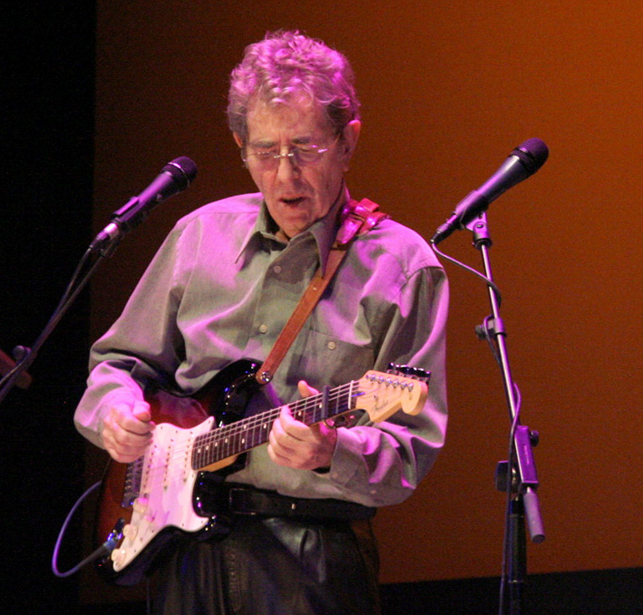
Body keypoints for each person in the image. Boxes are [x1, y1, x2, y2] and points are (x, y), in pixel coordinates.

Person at [75, 30, 449, 615]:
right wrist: (114, 415)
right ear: (239, 144)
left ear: (348, 141)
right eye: (264, 151)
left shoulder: (403, 267)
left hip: (312, 557)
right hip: (183, 554)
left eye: (305, 149)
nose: (284, 175)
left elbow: (410, 449)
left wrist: (333, 451)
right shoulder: (199, 236)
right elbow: (118, 365)